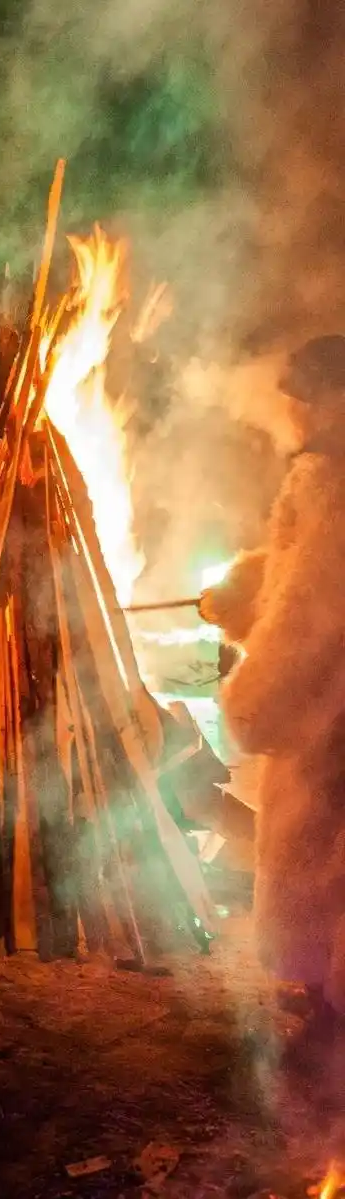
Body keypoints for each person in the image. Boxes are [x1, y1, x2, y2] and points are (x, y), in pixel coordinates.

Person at [200, 334, 345, 1042]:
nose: (290, 412)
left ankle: (324, 996)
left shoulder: (328, 479)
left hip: (328, 706)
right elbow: (290, 574)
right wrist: (242, 587)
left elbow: (310, 606)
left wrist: (255, 695)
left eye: (302, 398)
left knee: (318, 844)